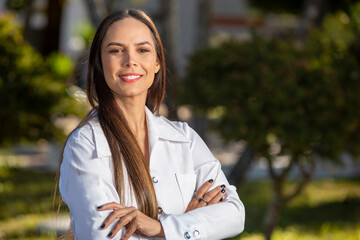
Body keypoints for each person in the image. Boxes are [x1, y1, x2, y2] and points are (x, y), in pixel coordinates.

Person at [59, 9, 245, 240]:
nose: (130, 61)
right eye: (116, 50)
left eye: (143, 50)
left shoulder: (184, 139)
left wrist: (161, 228)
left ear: (157, 63)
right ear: (99, 63)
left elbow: (234, 214)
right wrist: (186, 225)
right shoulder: (85, 145)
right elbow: (103, 236)